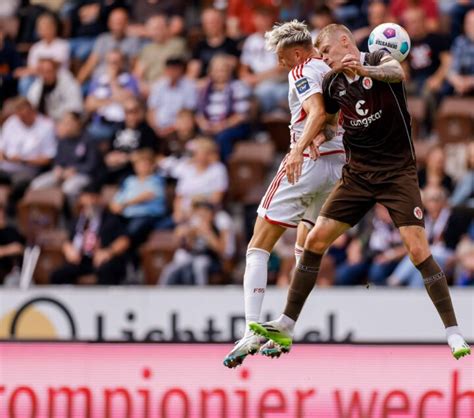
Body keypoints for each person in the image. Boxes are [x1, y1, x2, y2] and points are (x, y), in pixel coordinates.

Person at [250, 24, 470, 360]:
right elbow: (328, 120)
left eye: (325, 53)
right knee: (315, 241)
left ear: (343, 42)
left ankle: (454, 333)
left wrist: (363, 69)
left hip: (397, 174)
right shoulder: (332, 82)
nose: (322, 59)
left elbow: (396, 73)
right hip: (357, 175)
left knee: (416, 250)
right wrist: (316, 138)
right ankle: (287, 323)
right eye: (319, 56)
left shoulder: (378, 58)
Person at [223, 20, 345, 368]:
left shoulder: (303, 69)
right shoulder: (334, 69)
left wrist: (297, 150)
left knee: (258, 244)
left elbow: (317, 112)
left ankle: (250, 327)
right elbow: (332, 116)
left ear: (295, 52)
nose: (280, 65)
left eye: (281, 58)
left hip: (306, 163)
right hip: (338, 166)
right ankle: (287, 326)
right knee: (305, 247)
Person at [50, 183, 130, 285]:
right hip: (81, 259)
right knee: (58, 275)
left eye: (92, 198)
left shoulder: (110, 219)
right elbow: (68, 240)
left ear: (99, 199)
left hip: (103, 259)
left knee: (106, 271)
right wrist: (68, 249)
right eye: (86, 199)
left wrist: (109, 252)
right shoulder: (78, 220)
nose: (89, 202)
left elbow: (124, 240)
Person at [29, 112, 101, 206]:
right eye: (65, 123)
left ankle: (73, 216)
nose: (67, 126)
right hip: (63, 174)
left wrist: (76, 170)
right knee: (36, 185)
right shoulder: (63, 140)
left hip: (84, 175)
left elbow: (92, 165)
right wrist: (58, 168)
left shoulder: (89, 140)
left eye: (69, 123)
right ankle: (47, 216)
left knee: (69, 188)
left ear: (78, 123)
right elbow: (57, 161)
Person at [196, 54, 252, 162]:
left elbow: (241, 116)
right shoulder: (205, 89)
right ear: (210, 72)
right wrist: (203, 124)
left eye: (223, 70)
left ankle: (224, 168)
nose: (220, 73)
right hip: (210, 126)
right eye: (217, 70)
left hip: (232, 126)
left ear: (229, 71)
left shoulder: (238, 86)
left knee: (222, 137)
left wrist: (221, 126)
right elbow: (199, 113)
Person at [110, 149, 167, 248]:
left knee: (132, 231)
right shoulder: (130, 181)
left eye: (145, 164)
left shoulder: (156, 179)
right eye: (139, 165)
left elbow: (148, 195)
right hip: (126, 215)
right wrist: (115, 205)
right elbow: (118, 197)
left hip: (147, 216)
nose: (141, 167)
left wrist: (125, 204)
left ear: (152, 166)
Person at [239, 6, 288, 114]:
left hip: (278, 82)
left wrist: (256, 79)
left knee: (266, 92)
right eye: (258, 18)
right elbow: (243, 68)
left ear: (271, 19)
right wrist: (246, 78)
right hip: (257, 82)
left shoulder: (281, 39)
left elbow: (282, 67)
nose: (261, 22)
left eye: (264, 18)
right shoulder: (250, 40)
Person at [84, 49, 140, 141]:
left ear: (122, 62)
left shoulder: (130, 79)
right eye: (110, 62)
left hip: (121, 125)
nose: (113, 65)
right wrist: (114, 100)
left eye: (116, 62)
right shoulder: (98, 80)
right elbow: (89, 105)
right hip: (100, 124)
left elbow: (129, 102)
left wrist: (112, 80)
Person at [103, 97, 161, 185]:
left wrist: (126, 158)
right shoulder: (118, 128)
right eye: (127, 111)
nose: (131, 115)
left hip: (132, 169)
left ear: (139, 112)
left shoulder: (147, 130)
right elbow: (110, 150)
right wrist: (109, 157)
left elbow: (149, 152)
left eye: (134, 111)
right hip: (113, 168)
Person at [77, 8, 141, 84]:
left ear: (126, 23)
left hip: (122, 81)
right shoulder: (102, 39)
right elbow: (90, 63)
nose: (117, 24)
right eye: (115, 21)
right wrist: (77, 83)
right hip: (100, 79)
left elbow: (134, 66)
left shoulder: (133, 41)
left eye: (120, 21)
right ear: (109, 23)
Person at [134, 15, 187, 95]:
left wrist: (155, 87)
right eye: (153, 29)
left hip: (169, 87)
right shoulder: (147, 49)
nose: (156, 32)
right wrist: (142, 85)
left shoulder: (176, 44)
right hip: (147, 88)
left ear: (166, 28)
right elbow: (138, 73)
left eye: (158, 28)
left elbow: (173, 71)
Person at [147, 58, 198, 139]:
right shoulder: (158, 85)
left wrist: (172, 128)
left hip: (178, 128)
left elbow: (188, 113)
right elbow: (151, 110)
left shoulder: (189, 86)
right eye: (169, 69)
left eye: (175, 69)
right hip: (158, 129)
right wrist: (155, 128)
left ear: (181, 70)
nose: (172, 72)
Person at [187, 8, 240, 80]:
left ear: (221, 22)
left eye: (212, 22)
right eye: (206, 22)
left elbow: (233, 66)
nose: (210, 26)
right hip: (204, 87)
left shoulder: (231, 44)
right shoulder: (199, 46)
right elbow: (192, 74)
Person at [447, 9, 474, 96]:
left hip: (469, 82)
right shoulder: (460, 42)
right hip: (461, 85)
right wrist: (459, 82)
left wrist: (469, 82)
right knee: (444, 89)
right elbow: (452, 70)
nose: (470, 27)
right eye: (468, 23)